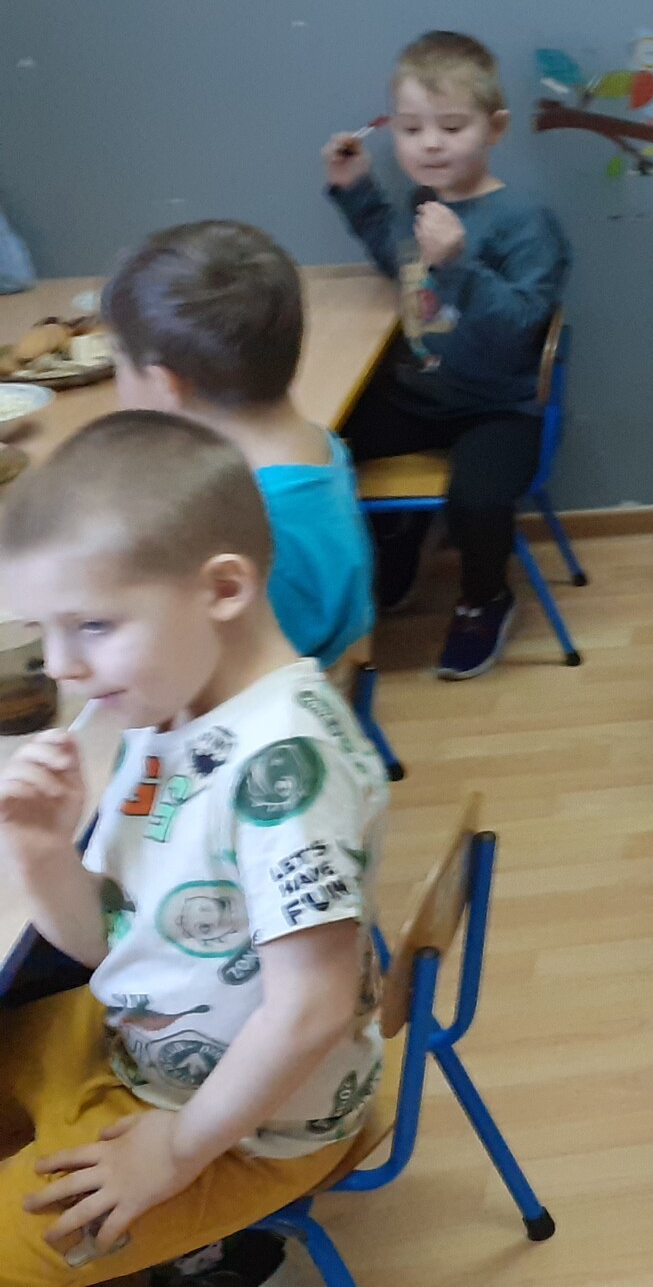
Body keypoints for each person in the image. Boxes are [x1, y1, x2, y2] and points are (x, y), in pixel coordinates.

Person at [0, 413, 388, 1284]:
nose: (58, 665)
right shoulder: (170, 706)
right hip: (142, 1050)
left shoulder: (287, 768)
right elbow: (111, 941)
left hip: (248, 1131)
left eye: (91, 626)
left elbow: (312, 1011)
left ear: (222, 588)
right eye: (43, 630)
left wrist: (174, 1152)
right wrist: (41, 849)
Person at [322, 32, 570, 681]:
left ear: (495, 129)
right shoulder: (421, 203)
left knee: (480, 499)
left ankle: (484, 599)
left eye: (452, 127)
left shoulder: (524, 219)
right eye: (411, 129)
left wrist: (458, 265)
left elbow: (521, 327)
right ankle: (398, 535)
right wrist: (355, 189)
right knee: (324, 444)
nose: (430, 144)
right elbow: (399, 258)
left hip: (500, 406)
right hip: (422, 393)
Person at [101, 222, 372, 671]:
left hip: (269, 703)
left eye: (119, 362)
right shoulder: (314, 445)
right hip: (321, 683)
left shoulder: (241, 522)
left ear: (165, 383)